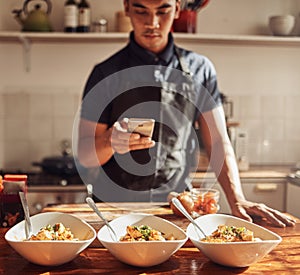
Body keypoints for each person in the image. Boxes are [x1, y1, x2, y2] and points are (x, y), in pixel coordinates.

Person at [77, 0, 295, 228]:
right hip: (114, 209)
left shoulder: (201, 70)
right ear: (127, 7)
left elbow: (219, 141)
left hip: (179, 209)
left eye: (163, 10)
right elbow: (85, 155)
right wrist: (109, 141)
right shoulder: (104, 73)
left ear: (178, 8)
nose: (152, 22)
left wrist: (237, 199)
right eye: (141, 10)